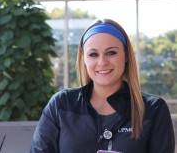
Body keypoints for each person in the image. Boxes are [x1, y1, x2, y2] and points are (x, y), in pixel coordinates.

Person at [29, 18, 175, 153]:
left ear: (126, 55)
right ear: (83, 58)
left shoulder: (153, 110)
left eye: (111, 53)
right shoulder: (61, 104)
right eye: (93, 54)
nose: (102, 62)